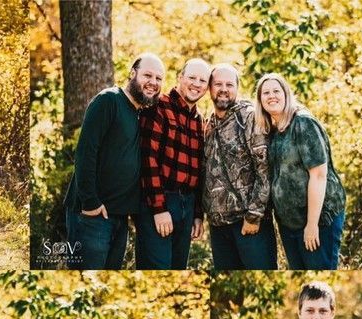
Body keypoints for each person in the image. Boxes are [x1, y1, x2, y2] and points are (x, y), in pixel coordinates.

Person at [64, 55, 164, 270]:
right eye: (147, 75)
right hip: (93, 216)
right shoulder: (109, 100)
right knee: (85, 278)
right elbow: (85, 152)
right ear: (132, 73)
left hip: (119, 216)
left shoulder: (140, 113)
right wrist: (90, 202)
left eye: (158, 78)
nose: (153, 82)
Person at [255, 72, 346, 270]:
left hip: (319, 221)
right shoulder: (273, 129)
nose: (271, 96)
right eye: (266, 93)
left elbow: (319, 175)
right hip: (290, 224)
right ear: (260, 100)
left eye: (276, 91)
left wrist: (312, 225)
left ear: (286, 94)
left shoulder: (303, 123)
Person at [136, 59, 209, 270]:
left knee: (178, 268)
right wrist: (159, 209)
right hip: (159, 200)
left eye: (202, 80)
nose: (196, 84)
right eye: (192, 77)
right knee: (156, 269)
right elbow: (147, 158)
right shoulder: (158, 106)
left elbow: (198, 170)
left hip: (187, 204)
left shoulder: (198, 120)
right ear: (180, 78)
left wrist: (197, 214)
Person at [202, 63, 275, 270]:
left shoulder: (249, 117)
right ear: (209, 88)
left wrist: (254, 216)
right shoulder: (209, 124)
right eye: (218, 84)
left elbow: (265, 169)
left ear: (237, 87)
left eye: (229, 84)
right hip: (218, 227)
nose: (223, 89)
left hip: (249, 225)